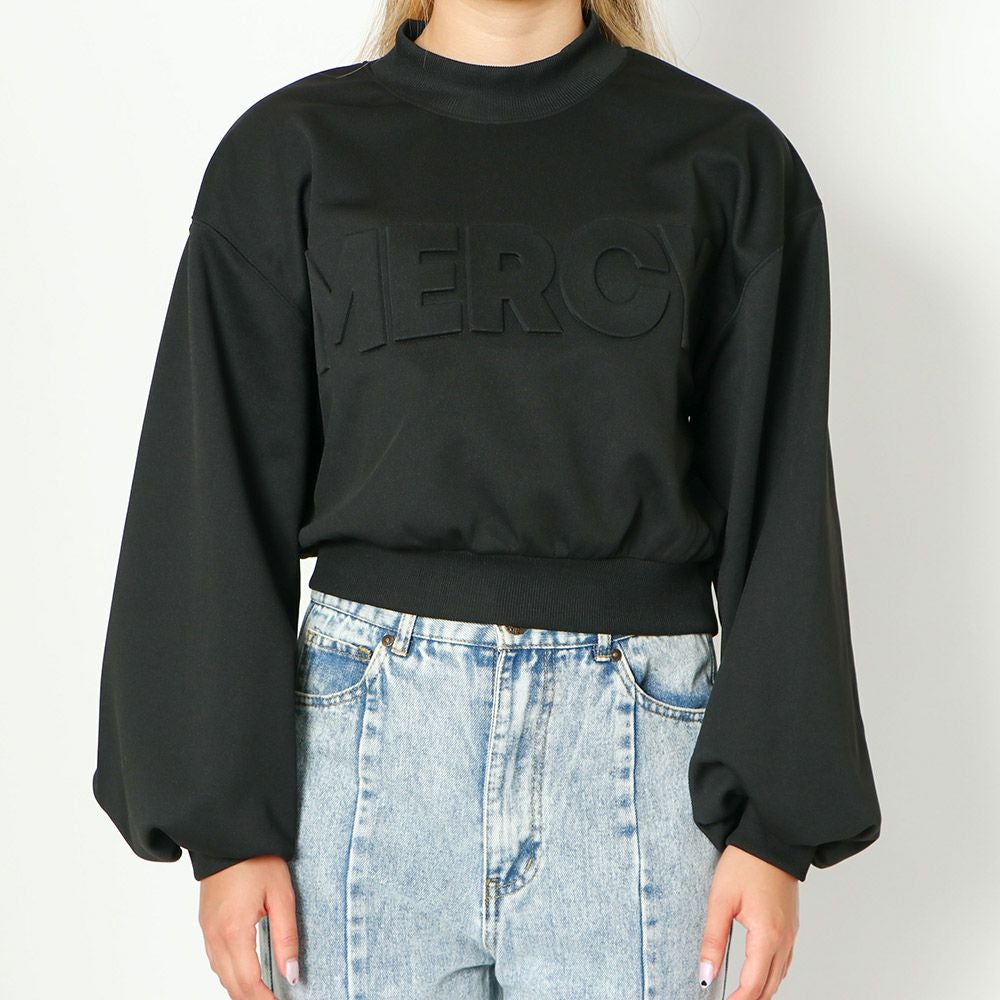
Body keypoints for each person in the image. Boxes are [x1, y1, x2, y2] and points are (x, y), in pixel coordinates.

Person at [92, 1, 882, 998]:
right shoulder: (290, 153)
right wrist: (223, 830)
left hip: (635, 755)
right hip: (362, 755)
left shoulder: (728, 162)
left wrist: (773, 832)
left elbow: (781, 501)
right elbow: (211, 484)